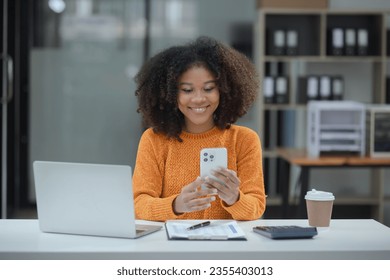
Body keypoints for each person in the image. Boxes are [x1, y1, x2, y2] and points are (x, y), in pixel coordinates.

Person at [133, 36, 266, 221]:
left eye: (209, 89)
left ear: (224, 90)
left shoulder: (244, 140)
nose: (198, 99)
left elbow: (256, 207)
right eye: (187, 90)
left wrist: (234, 198)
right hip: (170, 246)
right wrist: (177, 205)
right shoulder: (154, 140)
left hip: (226, 246)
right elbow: (139, 204)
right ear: (170, 93)